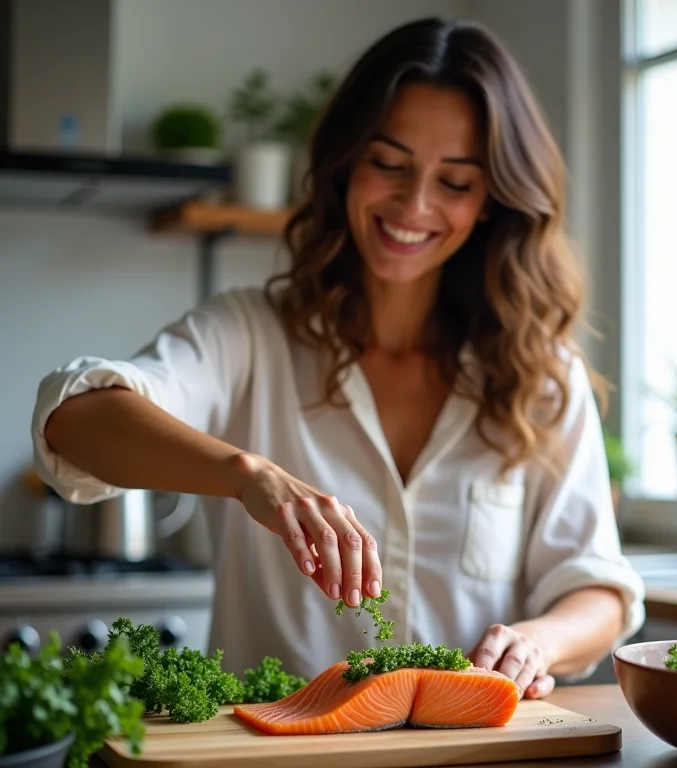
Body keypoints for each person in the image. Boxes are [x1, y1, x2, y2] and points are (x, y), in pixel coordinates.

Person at [31, 16, 645, 698]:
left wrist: (539, 642)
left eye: (456, 182)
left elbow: (598, 586)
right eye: (389, 164)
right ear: (345, 162)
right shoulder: (249, 335)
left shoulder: (541, 374)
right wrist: (247, 474)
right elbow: (73, 419)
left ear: (492, 202)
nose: (414, 204)